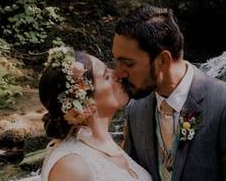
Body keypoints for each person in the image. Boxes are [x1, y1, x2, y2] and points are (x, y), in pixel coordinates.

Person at [112, 5, 226, 181]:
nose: (118, 72)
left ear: (163, 60)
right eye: (117, 61)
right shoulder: (136, 110)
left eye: (128, 64)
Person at [38, 46, 151, 181]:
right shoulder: (71, 167)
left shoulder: (107, 145)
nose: (117, 74)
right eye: (106, 76)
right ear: (82, 99)